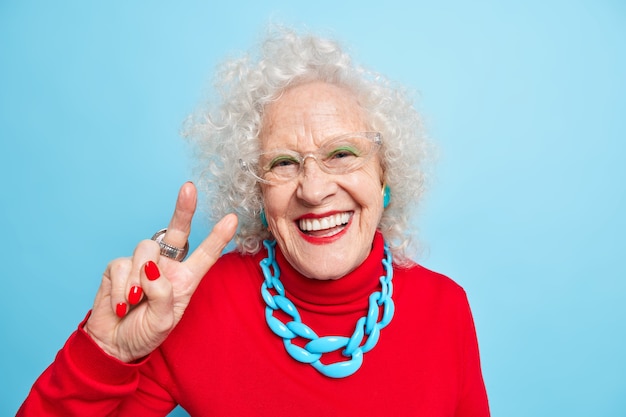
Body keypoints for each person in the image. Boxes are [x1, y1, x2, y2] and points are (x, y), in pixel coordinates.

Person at [18, 27, 490, 416]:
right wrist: (105, 354)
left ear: (385, 178)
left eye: (342, 154)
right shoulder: (192, 305)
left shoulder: (446, 308)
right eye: (283, 163)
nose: (312, 189)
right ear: (258, 195)